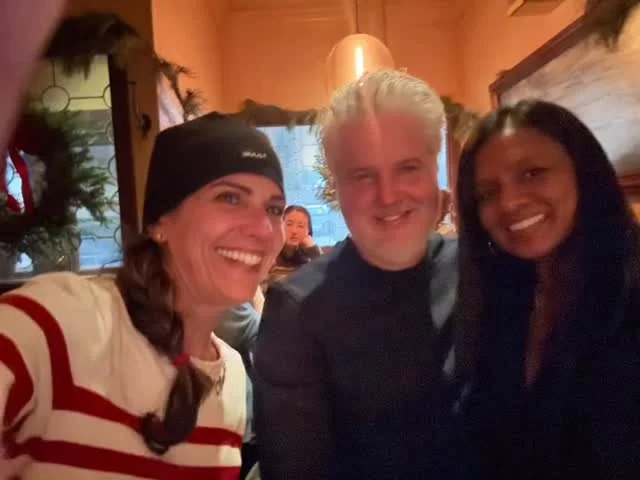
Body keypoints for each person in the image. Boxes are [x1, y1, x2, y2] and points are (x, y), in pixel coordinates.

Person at [0, 113, 286, 477]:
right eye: (230, 197)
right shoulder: (65, 321)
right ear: (160, 223)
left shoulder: (230, 377)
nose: (263, 228)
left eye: (274, 208)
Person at [254, 70, 459, 479]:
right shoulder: (298, 312)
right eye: (363, 175)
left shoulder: (482, 272)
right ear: (337, 188)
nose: (388, 195)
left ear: (434, 172)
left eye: (408, 168)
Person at [455, 100, 640, 479]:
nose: (509, 202)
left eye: (532, 173)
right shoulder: (499, 299)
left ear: (583, 173)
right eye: (488, 193)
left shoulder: (630, 290)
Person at [263, 205, 321, 289]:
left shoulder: (311, 259)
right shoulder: (269, 256)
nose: (294, 231)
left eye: (300, 226)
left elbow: (329, 280)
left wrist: (313, 250)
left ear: (308, 231)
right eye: (289, 224)